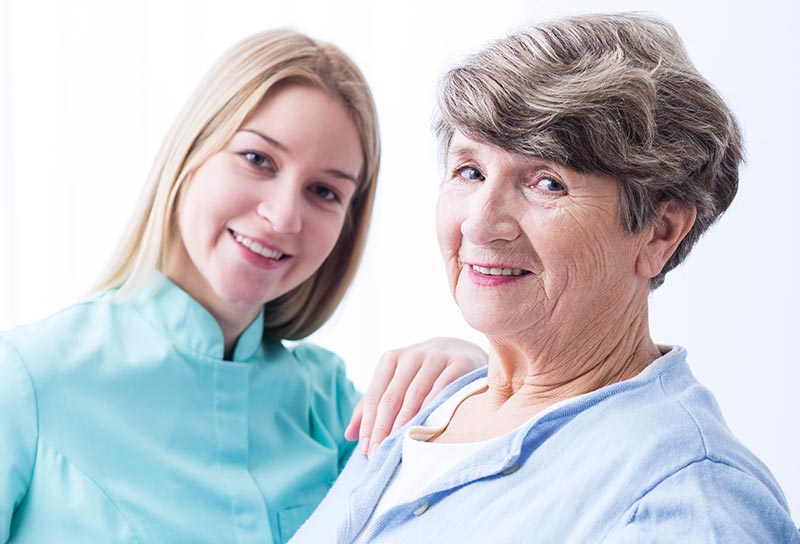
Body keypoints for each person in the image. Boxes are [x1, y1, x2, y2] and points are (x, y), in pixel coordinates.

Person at [292, 13, 800, 543]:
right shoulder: (428, 405)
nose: (480, 223)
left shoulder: (687, 500)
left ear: (659, 232)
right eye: (470, 171)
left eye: (547, 183)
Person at [0, 30, 487, 543]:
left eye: (323, 191)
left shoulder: (335, 410)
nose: (282, 216)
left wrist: (470, 376)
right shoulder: (27, 380)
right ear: (193, 152)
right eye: (258, 159)